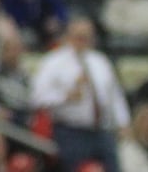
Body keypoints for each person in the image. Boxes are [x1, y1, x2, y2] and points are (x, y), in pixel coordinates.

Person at [30, 17, 130, 172]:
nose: (82, 41)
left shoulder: (100, 61)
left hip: (101, 130)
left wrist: (123, 122)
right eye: (78, 36)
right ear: (68, 36)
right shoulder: (53, 62)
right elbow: (37, 97)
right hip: (70, 131)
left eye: (86, 37)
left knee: (114, 167)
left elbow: (114, 95)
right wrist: (65, 97)